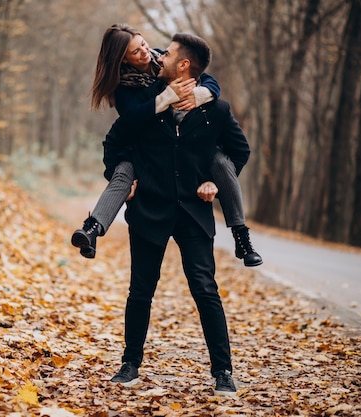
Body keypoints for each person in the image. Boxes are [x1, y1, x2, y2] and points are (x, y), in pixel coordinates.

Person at [105, 32, 251, 397]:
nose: (157, 56)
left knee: (205, 289)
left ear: (184, 64)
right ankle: (130, 364)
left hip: (194, 211)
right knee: (140, 290)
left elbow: (239, 151)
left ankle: (223, 371)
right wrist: (121, 175)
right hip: (149, 208)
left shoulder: (214, 108)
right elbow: (116, 139)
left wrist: (215, 184)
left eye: (167, 54)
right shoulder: (146, 100)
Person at [70, 24, 262, 267]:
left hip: (185, 142)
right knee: (123, 173)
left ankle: (241, 236)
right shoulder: (123, 88)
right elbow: (130, 122)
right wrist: (165, 98)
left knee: (220, 160)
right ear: (123, 60)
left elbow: (203, 74)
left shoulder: (161, 58)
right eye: (136, 51)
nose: (145, 51)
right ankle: (92, 229)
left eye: (143, 43)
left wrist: (204, 93)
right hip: (145, 147)